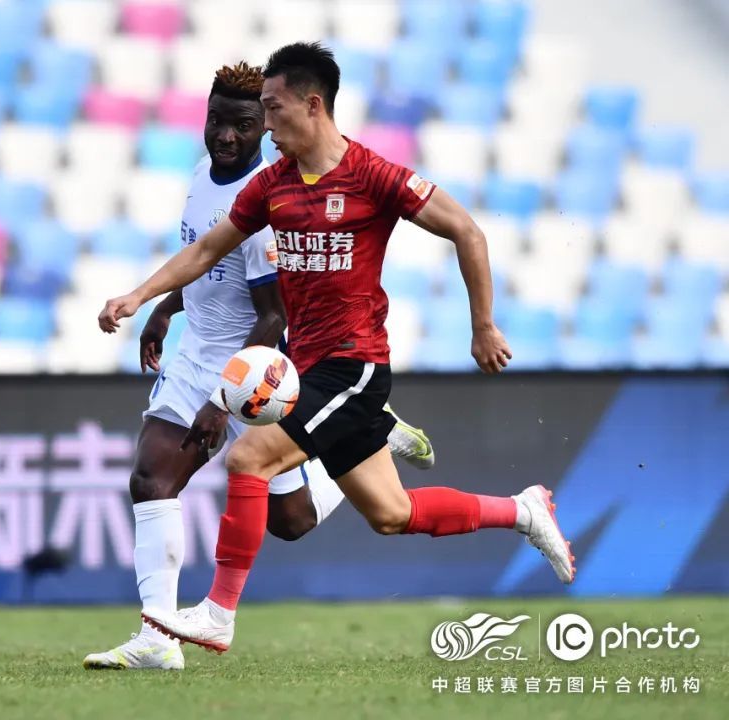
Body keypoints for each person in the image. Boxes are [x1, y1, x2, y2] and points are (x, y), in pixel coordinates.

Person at [98, 43, 575, 656]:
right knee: (391, 514)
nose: (266, 125)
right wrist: (140, 297)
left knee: (248, 460)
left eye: (273, 109)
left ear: (313, 105)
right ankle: (523, 510)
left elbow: (466, 230)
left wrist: (482, 324)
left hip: (353, 364)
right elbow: (206, 251)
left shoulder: (374, 176)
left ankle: (218, 614)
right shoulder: (273, 185)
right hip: (308, 367)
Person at [84, 62, 434, 671]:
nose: (226, 136)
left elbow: (274, 315)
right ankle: (157, 638)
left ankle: (359, 431)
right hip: (195, 355)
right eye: (215, 121)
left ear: (263, 126)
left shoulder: (270, 201)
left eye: (243, 125)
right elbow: (205, 260)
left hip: (254, 369)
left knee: (291, 522)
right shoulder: (202, 174)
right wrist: (163, 308)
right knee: (151, 479)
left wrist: (224, 401)